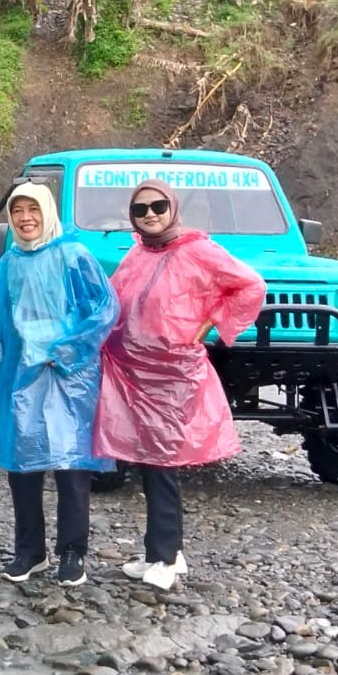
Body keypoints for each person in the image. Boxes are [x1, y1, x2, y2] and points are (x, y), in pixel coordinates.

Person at [93, 179, 266, 590]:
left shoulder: (197, 249)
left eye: (157, 206)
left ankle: (165, 558)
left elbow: (250, 285)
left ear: (171, 207)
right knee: (146, 459)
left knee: (161, 464)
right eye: (140, 210)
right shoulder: (138, 252)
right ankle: (164, 551)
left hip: (171, 375)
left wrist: (209, 324)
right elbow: (115, 300)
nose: (150, 214)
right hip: (134, 372)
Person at [0, 183, 118, 587]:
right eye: (18, 210)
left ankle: (73, 552)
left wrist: (65, 352)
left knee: (70, 464)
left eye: (33, 210)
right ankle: (29, 551)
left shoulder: (72, 255)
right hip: (21, 373)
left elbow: (104, 308)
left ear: (47, 212)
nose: (26, 218)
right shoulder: (10, 261)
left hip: (69, 377)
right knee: (21, 465)